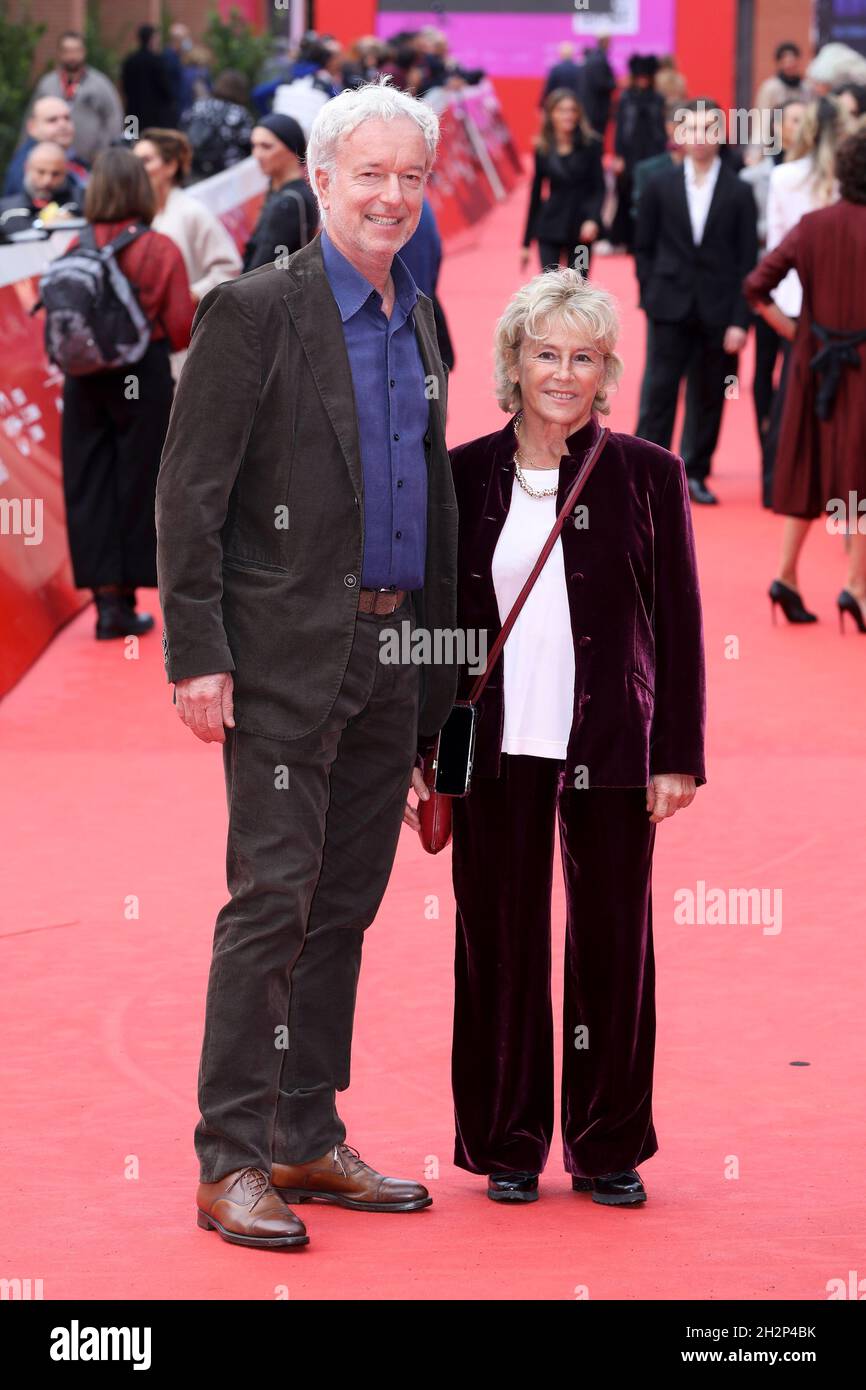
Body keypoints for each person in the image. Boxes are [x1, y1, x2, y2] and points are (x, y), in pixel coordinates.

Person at [155, 78, 458, 1251]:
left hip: (393, 651)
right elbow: (189, 497)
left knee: (343, 906)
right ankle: (228, 1155)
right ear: (319, 180)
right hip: (281, 655)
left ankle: (301, 1127)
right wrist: (197, 651)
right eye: (368, 174)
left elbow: (428, 501)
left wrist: (436, 678)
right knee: (270, 901)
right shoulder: (255, 311)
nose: (389, 196)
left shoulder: (419, 316)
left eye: (408, 178)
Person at [405, 267, 705, 1206]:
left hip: (613, 746)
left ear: (607, 368)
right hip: (493, 749)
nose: (564, 374)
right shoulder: (463, 474)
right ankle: (506, 1143)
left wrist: (678, 754)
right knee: (497, 941)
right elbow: (445, 623)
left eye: (583, 357)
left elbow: (682, 623)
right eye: (546, 354)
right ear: (514, 362)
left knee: (615, 944)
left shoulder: (650, 474)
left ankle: (608, 1142)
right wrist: (426, 744)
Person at [59, 148, 194, 640]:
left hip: (83, 378)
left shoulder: (75, 244)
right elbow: (180, 328)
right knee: (142, 481)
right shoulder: (158, 248)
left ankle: (106, 605)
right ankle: (145, 587)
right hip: (141, 375)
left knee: (88, 481)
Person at [744, 128, 866, 631]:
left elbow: (756, 285)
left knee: (810, 465)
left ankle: (786, 575)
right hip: (859, 369)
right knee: (859, 477)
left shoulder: (812, 225)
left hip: (812, 366)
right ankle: (856, 587)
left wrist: (793, 331)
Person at [635, 98, 758, 505]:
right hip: (668, 304)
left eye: (709, 129)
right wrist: (650, 292)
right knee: (659, 392)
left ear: (721, 135)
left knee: (709, 394)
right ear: (678, 135)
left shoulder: (740, 191)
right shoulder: (659, 185)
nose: (700, 138)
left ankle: (696, 473)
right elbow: (644, 246)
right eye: (692, 129)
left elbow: (748, 260)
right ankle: (646, 475)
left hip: (719, 311)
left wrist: (741, 320)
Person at [133, 128, 241, 377]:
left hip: (192, 339)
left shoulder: (192, 212)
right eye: (134, 162)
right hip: (150, 343)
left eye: (146, 161)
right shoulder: (138, 215)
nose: (138, 169)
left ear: (170, 167)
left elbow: (228, 268)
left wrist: (190, 294)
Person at [521, 90, 604, 275]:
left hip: (582, 231)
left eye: (572, 110)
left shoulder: (591, 145)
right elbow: (535, 194)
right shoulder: (542, 149)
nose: (567, 116)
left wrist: (592, 219)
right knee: (550, 287)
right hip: (550, 228)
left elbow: (599, 188)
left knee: (579, 286)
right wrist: (526, 242)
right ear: (551, 114)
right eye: (561, 110)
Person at [30, 32, 122, 166]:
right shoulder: (47, 84)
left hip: (91, 160)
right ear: (59, 53)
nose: (72, 56)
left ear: (84, 52)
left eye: (76, 50)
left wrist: (105, 149)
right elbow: (32, 118)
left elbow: (114, 116)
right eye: (67, 51)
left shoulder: (100, 84)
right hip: (52, 161)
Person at [241, 113, 318, 271]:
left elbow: (263, 270)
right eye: (254, 146)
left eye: (266, 146)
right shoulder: (281, 191)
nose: (257, 155)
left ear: (292, 148)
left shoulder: (289, 202)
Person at [611, 55, 667, 252]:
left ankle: (647, 238)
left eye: (646, 77)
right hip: (630, 153)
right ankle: (627, 239)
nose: (643, 80)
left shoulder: (658, 98)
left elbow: (661, 127)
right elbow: (620, 128)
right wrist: (617, 155)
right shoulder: (626, 98)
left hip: (652, 152)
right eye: (640, 76)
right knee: (626, 195)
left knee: (649, 194)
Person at [3, 96, 87, 198]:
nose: (63, 124)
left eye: (67, 118)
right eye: (52, 120)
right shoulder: (29, 165)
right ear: (32, 127)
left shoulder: (72, 157)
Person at [180, 70, 254, 180]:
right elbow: (248, 142)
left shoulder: (199, 105)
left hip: (197, 167)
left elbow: (183, 125)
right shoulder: (239, 113)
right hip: (229, 170)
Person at [0, 142, 82, 234]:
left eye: (56, 174)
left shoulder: (80, 204)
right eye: (41, 172)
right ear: (27, 168)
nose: (47, 181)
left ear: (66, 172)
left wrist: (73, 225)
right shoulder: (6, 212)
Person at [121, 24, 177, 132]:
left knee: (132, 142)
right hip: (155, 116)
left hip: (133, 112)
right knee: (152, 143)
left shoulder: (130, 60)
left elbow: (125, 87)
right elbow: (165, 89)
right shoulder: (157, 61)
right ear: (152, 39)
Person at [755, 42, 810, 116]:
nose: (790, 65)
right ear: (779, 63)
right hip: (777, 125)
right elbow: (762, 116)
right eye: (786, 61)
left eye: (792, 61)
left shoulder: (806, 88)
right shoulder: (770, 87)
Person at [580, 36, 616, 141]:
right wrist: (614, 84)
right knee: (596, 138)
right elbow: (601, 83)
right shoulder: (599, 59)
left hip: (591, 106)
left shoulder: (592, 57)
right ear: (605, 42)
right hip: (597, 108)